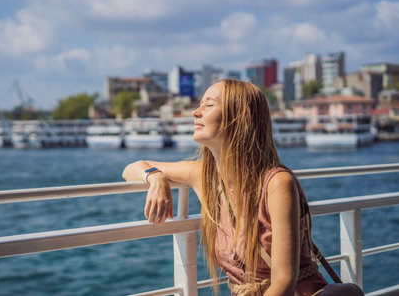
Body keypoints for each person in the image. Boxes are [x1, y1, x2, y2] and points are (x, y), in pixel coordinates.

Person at [122, 79, 328, 295]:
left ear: (240, 118)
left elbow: (284, 281)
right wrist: (155, 178)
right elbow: (131, 168)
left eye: (209, 105)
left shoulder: (276, 183)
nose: (195, 112)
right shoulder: (204, 177)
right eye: (200, 104)